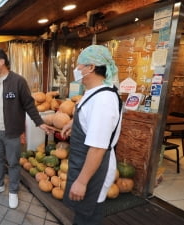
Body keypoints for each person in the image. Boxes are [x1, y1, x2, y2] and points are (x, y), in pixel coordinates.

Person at [0, 48, 55, 209]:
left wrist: (39, 122)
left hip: (12, 132)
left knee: (14, 162)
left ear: (2, 62)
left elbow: (29, 104)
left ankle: (13, 191)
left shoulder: (18, 81)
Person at [60, 45, 123, 225]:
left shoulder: (104, 99)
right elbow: (90, 117)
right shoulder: (94, 93)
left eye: (80, 65)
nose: (77, 69)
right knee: (81, 214)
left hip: (94, 169)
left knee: (88, 217)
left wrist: (81, 182)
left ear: (91, 67)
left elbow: (98, 147)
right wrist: (75, 123)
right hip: (82, 162)